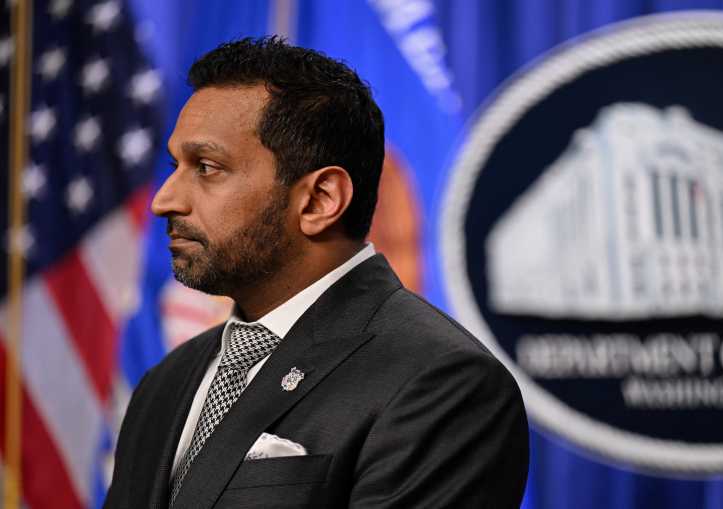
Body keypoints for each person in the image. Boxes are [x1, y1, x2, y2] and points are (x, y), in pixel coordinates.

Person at [105, 36, 529, 509]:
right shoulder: (166, 381)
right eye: (175, 166)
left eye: (206, 167)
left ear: (320, 200)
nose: (164, 200)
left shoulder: (444, 384)